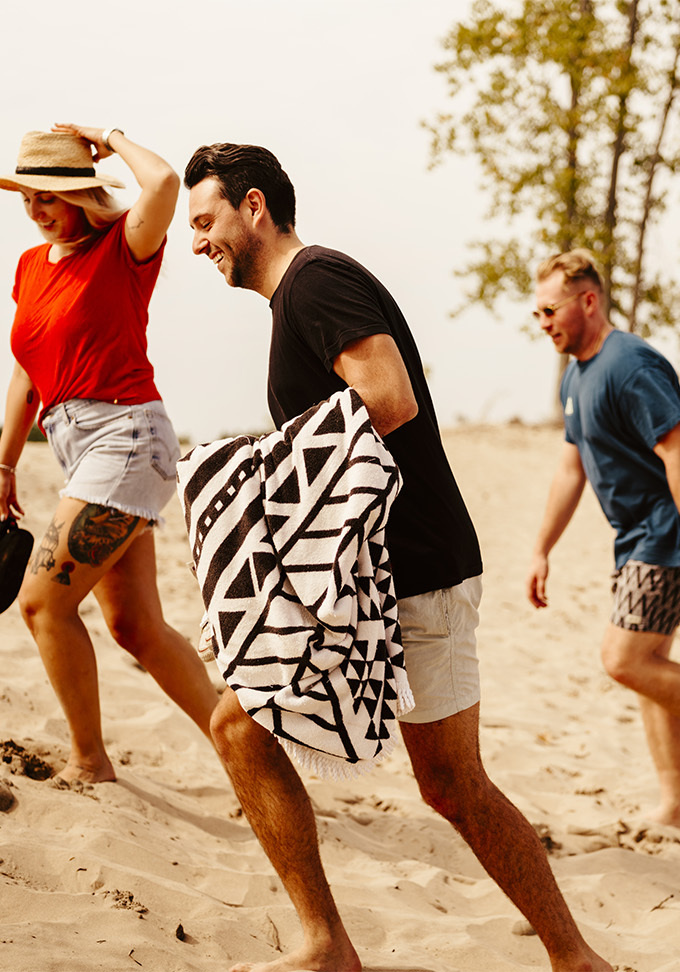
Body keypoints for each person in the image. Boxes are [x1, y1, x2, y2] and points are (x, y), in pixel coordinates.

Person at [183, 143, 609, 972]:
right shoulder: (295, 299)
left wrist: (262, 469)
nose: (198, 243)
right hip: (358, 585)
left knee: (454, 787)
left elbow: (388, 396)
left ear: (255, 206)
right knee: (239, 724)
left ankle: (574, 956)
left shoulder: (317, 282)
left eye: (205, 222)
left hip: (416, 574)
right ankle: (326, 944)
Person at [0, 124, 217, 786]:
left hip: (127, 439)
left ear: (83, 194)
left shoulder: (124, 246)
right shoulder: (31, 268)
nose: (36, 211)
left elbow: (166, 182)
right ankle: (248, 750)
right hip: (76, 447)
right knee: (136, 626)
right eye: (27, 198)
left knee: (42, 603)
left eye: (49, 197)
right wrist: (4, 462)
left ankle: (90, 762)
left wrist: (108, 138)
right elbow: (26, 373)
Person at [526, 248, 680, 828]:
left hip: (663, 535)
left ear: (588, 300)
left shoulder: (630, 364)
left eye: (549, 310)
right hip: (634, 538)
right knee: (651, 665)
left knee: (624, 661)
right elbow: (573, 467)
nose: (542, 324)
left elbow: (676, 451)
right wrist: (542, 549)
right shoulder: (577, 373)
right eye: (536, 314)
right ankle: (674, 806)